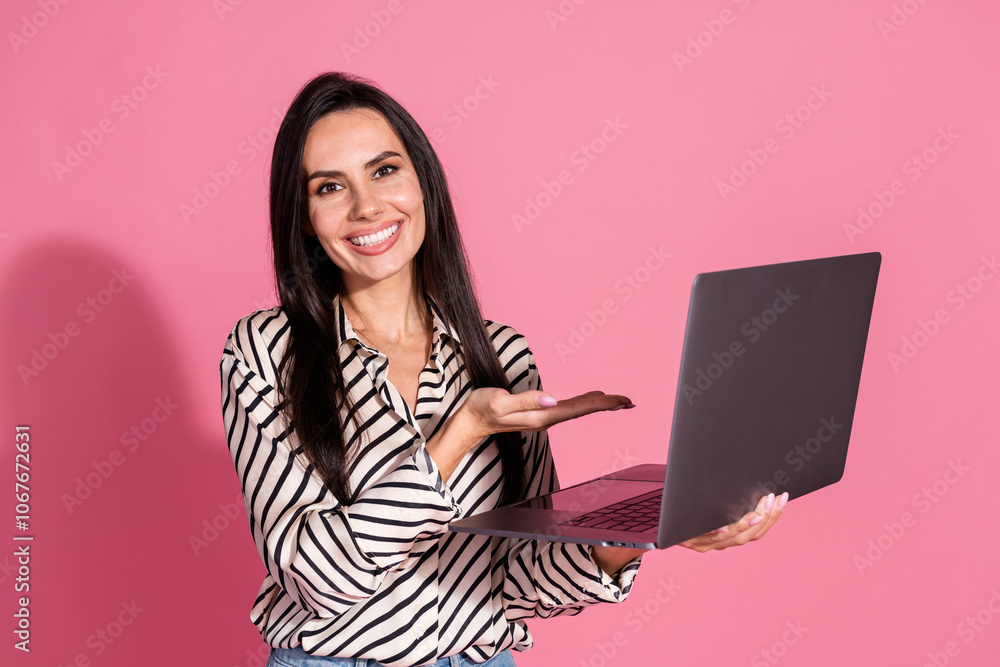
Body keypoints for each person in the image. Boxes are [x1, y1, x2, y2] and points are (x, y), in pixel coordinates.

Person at [220, 72, 785, 667]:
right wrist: (460, 434)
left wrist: (643, 532)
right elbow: (313, 579)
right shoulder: (265, 353)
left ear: (422, 182)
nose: (367, 207)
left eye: (385, 170)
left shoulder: (502, 356)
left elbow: (517, 577)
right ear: (305, 215)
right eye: (330, 187)